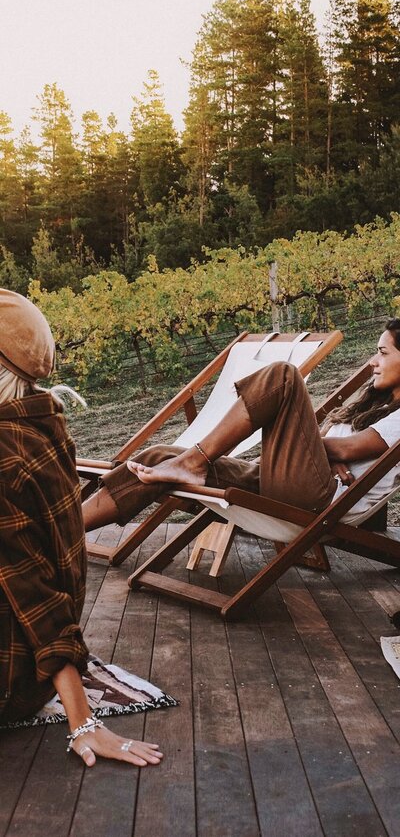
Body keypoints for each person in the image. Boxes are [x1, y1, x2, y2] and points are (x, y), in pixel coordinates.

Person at [0, 289, 162, 769]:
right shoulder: (41, 422)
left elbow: (34, 592)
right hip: (27, 670)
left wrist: (83, 720)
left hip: (10, 676)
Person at [83, 319, 400, 536]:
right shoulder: (375, 404)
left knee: (283, 378)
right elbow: (330, 447)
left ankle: (193, 462)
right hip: (283, 478)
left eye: (383, 353)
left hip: (318, 499)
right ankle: (62, 535)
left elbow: (344, 447)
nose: (373, 361)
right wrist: (324, 456)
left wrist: (323, 453)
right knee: (157, 457)